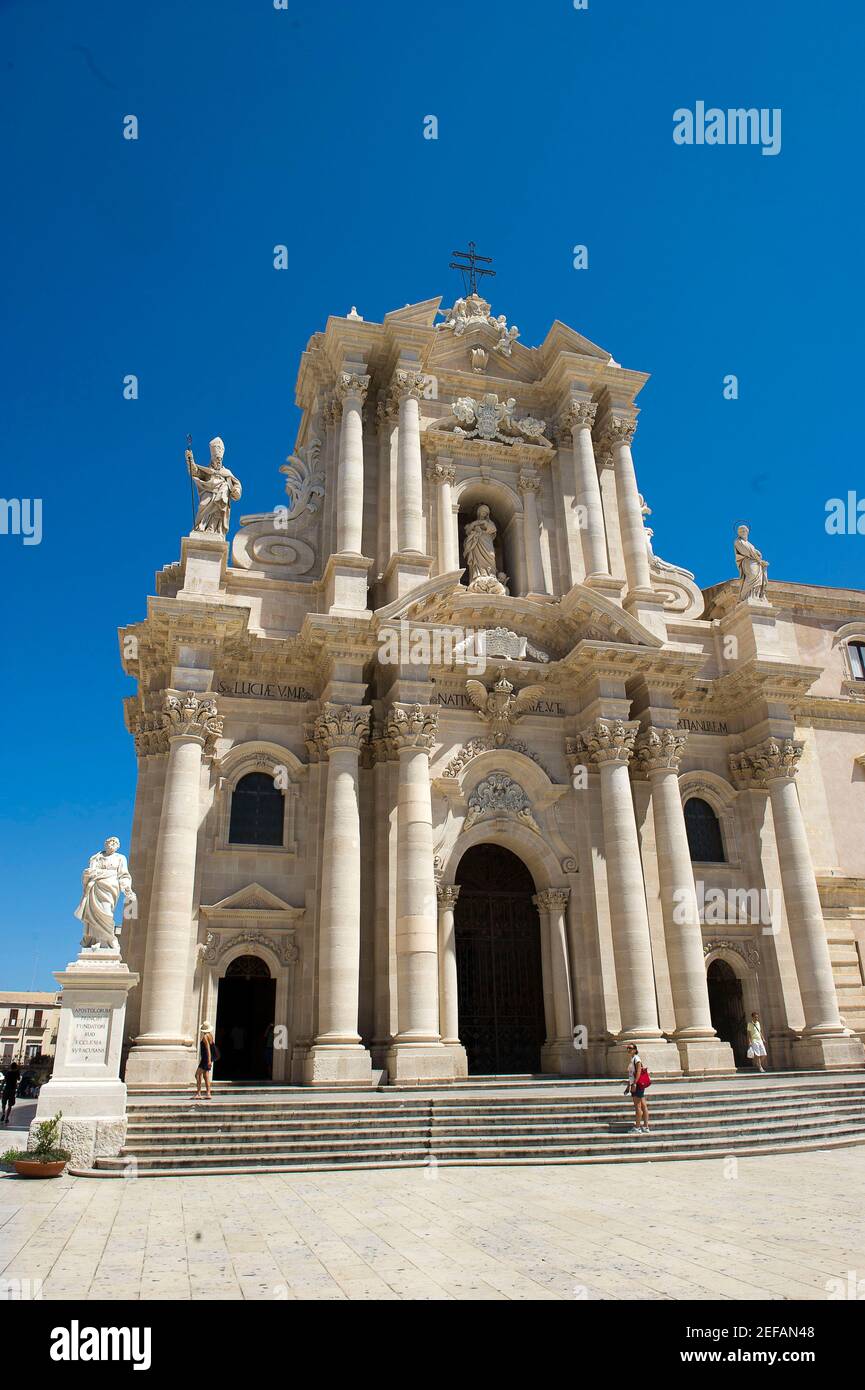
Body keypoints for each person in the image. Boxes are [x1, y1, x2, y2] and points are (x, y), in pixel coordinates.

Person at [625, 1043, 650, 1134]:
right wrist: (628, 1086)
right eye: (627, 1048)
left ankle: (637, 1127)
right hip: (636, 1084)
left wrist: (634, 1084)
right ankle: (646, 1126)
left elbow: (638, 1073)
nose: (628, 1050)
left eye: (630, 1048)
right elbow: (631, 1075)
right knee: (643, 1105)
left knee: (638, 1107)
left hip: (637, 1085)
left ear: (635, 1049)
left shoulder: (637, 1059)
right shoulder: (633, 1059)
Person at [195, 1022, 215, 1099]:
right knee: (206, 1076)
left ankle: (198, 1093)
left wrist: (209, 1060)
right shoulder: (210, 1036)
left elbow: (208, 1049)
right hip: (207, 1059)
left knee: (197, 1074)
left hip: (205, 1059)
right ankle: (208, 1093)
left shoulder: (205, 1037)